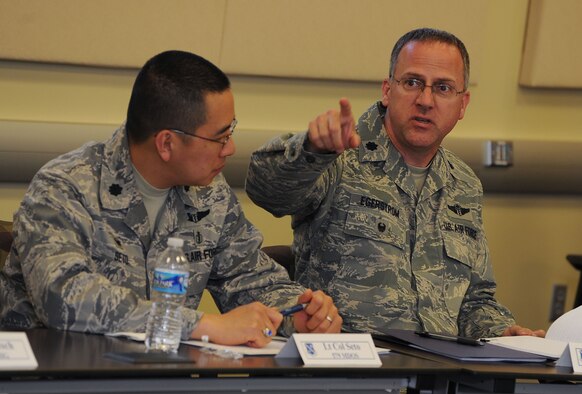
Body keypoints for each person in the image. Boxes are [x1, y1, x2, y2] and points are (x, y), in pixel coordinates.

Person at [0, 50, 341, 347]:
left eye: (232, 131)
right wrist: (202, 325)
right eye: (220, 137)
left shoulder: (210, 194)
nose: (231, 149)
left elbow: (250, 278)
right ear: (166, 143)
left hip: (160, 378)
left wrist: (297, 314)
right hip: (57, 380)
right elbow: (62, 297)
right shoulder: (64, 187)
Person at [246, 28, 544, 339]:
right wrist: (311, 150)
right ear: (388, 90)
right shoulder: (340, 154)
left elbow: (474, 300)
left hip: (435, 375)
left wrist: (502, 333)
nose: (425, 101)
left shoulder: (464, 183)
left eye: (443, 88)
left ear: (462, 104)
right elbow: (267, 191)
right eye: (413, 83)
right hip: (350, 369)